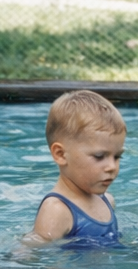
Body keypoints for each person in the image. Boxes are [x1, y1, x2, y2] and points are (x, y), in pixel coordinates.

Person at [29, 90, 126, 248]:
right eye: (99, 156)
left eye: (117, 157)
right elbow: (34, 256)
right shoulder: (57, 211)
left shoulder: (107, 201)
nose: (112, 167)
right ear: (61, 154)